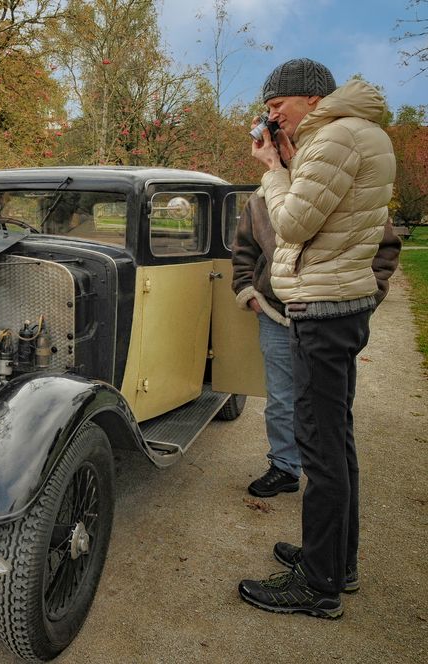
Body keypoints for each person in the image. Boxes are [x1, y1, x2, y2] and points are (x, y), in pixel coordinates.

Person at [236, 58, 396, 619]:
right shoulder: (353, 133)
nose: (271, 115)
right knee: (336, 441)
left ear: (310, 99)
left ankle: (319, 585)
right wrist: (287, 158)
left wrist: (272, 171)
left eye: (277, 104)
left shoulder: (335, 137)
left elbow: (293, 224)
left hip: (323, 310)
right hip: (336, 306)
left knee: (320, 447)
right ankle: (335, 561)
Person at [231, 194, 401, 499]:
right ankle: (284, 467)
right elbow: (244, 250)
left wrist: (364, 300)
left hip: (330, 318)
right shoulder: (261, 199)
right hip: (275, 313)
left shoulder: (348, 190)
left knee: (327, 404)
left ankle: (329, 481)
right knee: (281, 398)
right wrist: (250, 293)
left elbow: (385, 250)